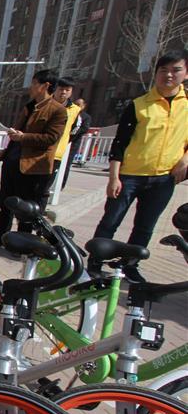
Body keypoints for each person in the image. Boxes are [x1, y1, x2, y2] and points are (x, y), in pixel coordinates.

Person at [87, 49, 188, 283]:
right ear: (156, 74)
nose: (169, 75)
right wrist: (114, 177)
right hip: (129, 176)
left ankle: (130, 265)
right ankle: (95, 262)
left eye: (175, 70)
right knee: (110, 221)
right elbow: (120, 143)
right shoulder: (139, 105)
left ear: (186, 73)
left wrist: (185, 159)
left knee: (145, 226)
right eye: (163, 70)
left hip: (163, 179)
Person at [0, 69, 67, 248]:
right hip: (12, 160)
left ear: (45, 86)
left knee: (25, 207)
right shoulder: (29, 106)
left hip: (32, 166)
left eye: (34, 83)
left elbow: (51, 138)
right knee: (6, 203)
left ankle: (22, 244)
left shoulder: (57, 110)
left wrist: (23, 137)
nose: (31, 87)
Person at [37, 77, 80, 212]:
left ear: (71, 92)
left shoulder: (75, 110)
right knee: (30, 185)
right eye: (61, 89)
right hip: (37, 151)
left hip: (56, 154)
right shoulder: (44, 104)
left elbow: (75, 130)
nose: (64, 92)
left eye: (67, 90)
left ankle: (38, 215)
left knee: (44, 187)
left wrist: (62, 142)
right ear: (55, 89)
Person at [63, 98, 91, 186]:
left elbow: (84, 128)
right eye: (75, 104)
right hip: (63, 141)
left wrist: (72, 132)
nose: (76, 106)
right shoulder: (69, 112)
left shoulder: (85, 117)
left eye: (79, 105)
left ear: (84, 106)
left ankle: (62, 183)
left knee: (67, 164)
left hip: (73, 143)